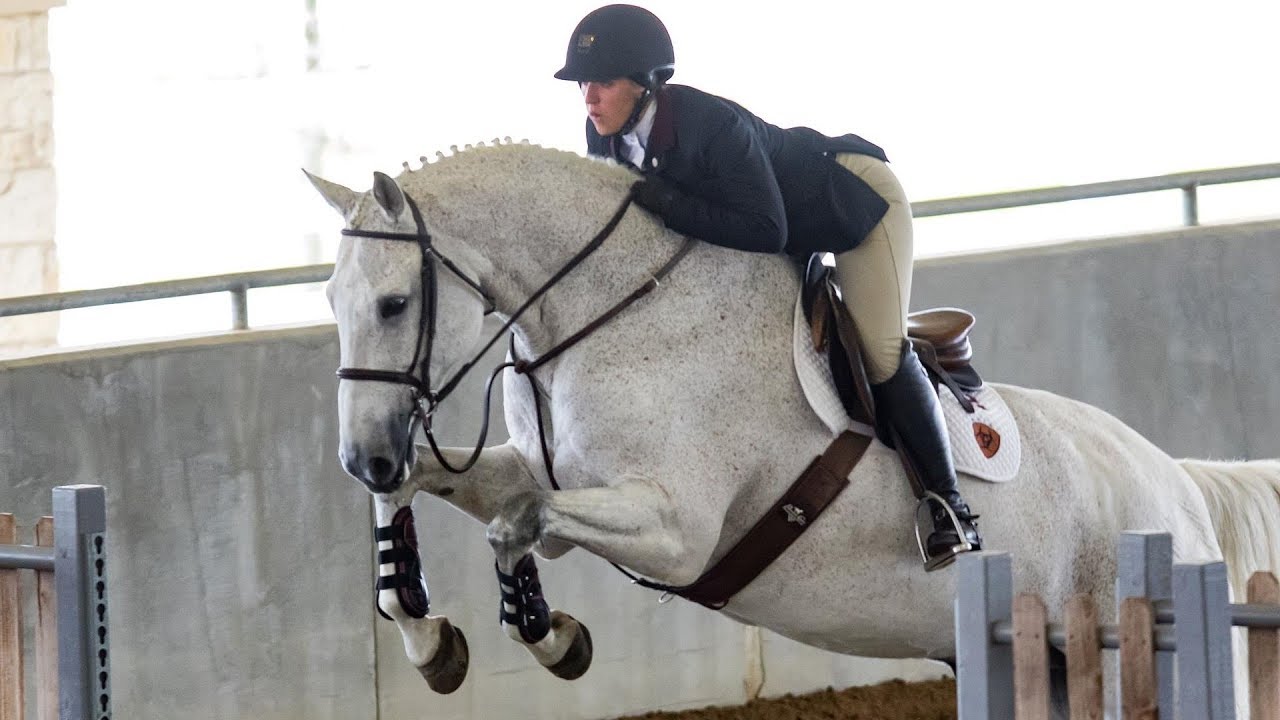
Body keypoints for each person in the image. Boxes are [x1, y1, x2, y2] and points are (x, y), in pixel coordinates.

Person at [553, 4, 981, 568]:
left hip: (854, 205)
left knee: (878, 351)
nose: (589, 98)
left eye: (603, 83)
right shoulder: (602, 134)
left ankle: (947, 507)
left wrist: (672, 204)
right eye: (584, 83)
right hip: (787, 231)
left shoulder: (712, 126)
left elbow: (765, 228)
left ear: (646, 83)